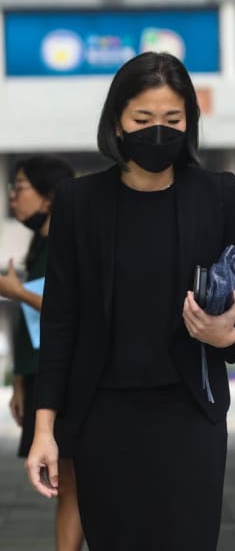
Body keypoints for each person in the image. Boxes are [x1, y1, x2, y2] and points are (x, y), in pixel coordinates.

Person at [24, 51, 235, 551]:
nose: (159, 131)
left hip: (190, 416)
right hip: (104, 418)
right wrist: (46, 429)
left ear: (190, 121)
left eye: (173, 119)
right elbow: (61, 322)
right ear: (117, 122)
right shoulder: (78, 202)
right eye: (143, 119)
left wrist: (226, 333)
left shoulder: (219, 195)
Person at [3, 156, 83, 551]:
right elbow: (29, 327)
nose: (13, 197)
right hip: (39, 375)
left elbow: (66, 313)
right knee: (62, 479)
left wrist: (17, 292)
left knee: (67, 479)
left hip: (63, 378)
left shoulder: (72, 242)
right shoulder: (41, 243)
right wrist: (20, 382)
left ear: (50, 198)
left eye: (20, 187)